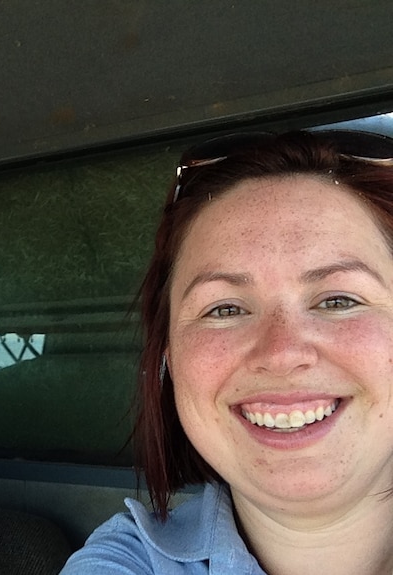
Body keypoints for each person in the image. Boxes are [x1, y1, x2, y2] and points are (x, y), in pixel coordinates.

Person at [61, 129, 393, 574]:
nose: (280, 353)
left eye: (338, 300)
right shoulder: (125, 562)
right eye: (225, 308)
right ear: (169, 358)